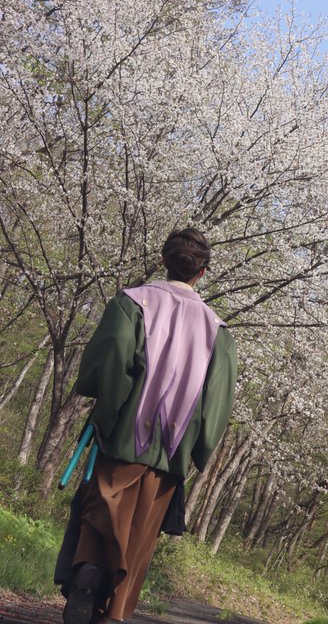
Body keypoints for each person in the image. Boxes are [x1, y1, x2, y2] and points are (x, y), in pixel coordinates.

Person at [55, 228, 237, 624]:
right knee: (140, 531)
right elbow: (217, 402)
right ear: (202, 272)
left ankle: (88, 569)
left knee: (101, 507)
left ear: (163, 260)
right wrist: (199, 449)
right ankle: (114, 611)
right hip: (171, 450)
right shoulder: (219, 333)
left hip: (122, 434)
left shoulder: (130, 303)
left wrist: (108, 418)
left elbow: (111, 362)